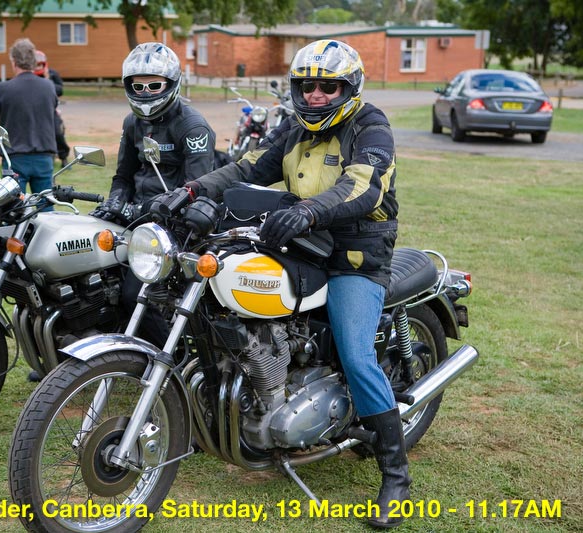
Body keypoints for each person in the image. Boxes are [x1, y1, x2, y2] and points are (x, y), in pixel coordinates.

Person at [156, 40, 407, 528]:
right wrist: (190, 190)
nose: (315, 95)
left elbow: (364, 184)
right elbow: (248, 166)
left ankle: (395, 476)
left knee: (357, 356)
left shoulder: (370, 125)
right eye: (307, 86)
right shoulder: (294, 127)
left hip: (354, 253)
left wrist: (310, 209)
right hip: (301, 241)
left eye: (328, 87)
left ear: (350, 89)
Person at [91, 42, 216, 349]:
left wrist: (145, 210)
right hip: (137, 217)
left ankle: (171, 356)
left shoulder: (193, 127)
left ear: (171, 83)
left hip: (175, 224)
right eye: (138, 86)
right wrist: (115, 202)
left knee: (132, 293)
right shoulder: (132, 122)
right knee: (89, 267)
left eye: (154, 85)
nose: (146, 93)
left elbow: (195, 190)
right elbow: (123, 175)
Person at [0, 38, 58, 195]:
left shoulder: (4, 88)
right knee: (46, 204)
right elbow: (54, 106)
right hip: (44, 154)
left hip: (15, 156)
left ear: (14, 61)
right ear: (34, 61)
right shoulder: (48, 86)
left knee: (13, 205)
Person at [33, 50, 71, 166]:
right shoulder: (29, 75)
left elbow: (60, 90)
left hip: (51, 110)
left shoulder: (52, 74)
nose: (38, 67)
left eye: (40, 64)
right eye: (36, 64)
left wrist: (47, 79)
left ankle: (63, 157)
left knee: (58, 133)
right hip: (34, 111)